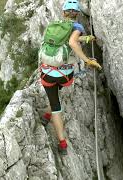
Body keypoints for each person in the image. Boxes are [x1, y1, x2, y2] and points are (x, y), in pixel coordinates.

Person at [39, 0, 102, 155]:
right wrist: (87, 60)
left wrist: (85, 39)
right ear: (77, 14)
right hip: (65, 76)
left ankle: (60, 139)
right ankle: (56, 131)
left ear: (64, 13)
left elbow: (68, 40)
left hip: (47, 72)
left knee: (55, 102)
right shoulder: (77, 26)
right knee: (56, 104)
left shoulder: (55, 25)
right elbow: (72, 42)